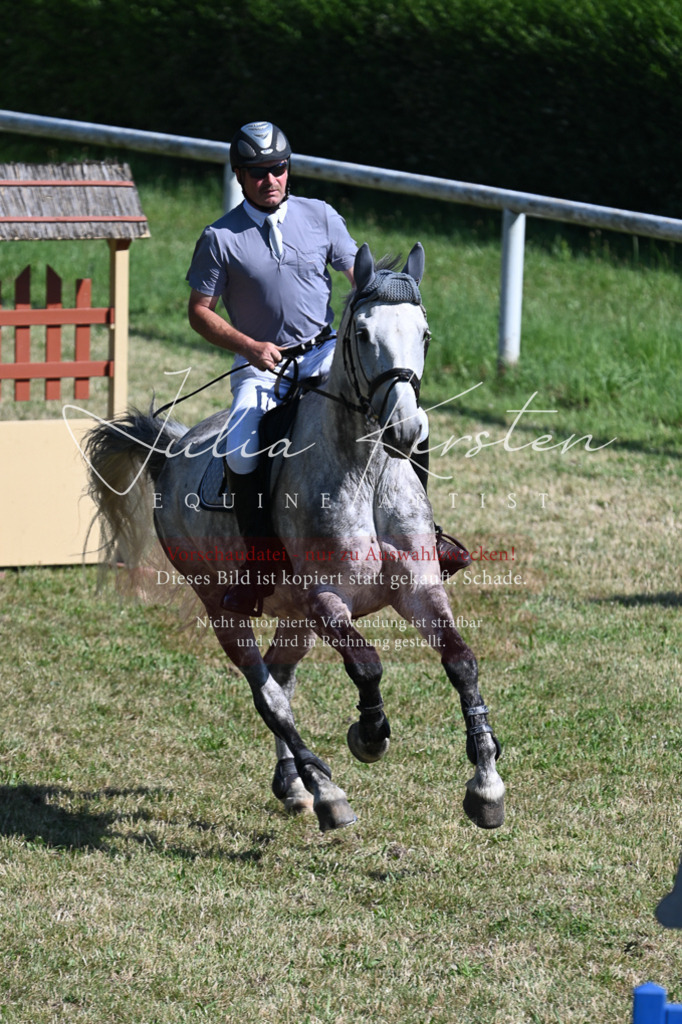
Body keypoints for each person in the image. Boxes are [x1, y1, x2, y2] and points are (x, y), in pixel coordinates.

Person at [186, 120, 469, 615]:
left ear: (288, 169)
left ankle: (428, 535)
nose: (270, 179)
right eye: (257, 173)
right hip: (262, 367)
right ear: (239, 175)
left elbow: (358, 279)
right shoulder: (219, 237)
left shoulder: (319, 216)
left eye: (277, 169)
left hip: (323, 353)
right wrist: (249, 345)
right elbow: (200, 311)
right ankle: (261, 564)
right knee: (241, 449)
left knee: (408, 422)